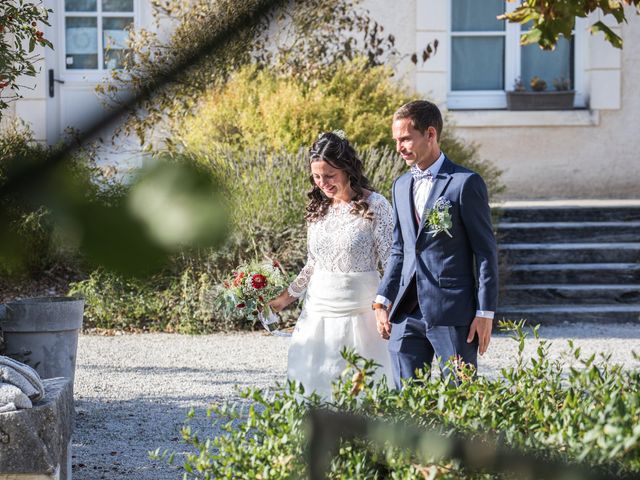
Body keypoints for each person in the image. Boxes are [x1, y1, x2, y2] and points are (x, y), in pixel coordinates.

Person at [373, 100, 498, 388]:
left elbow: (485, 252)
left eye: (405, 138)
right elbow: (399, 249)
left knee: (458, 396)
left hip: (452, 313)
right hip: (405, 313)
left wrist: (484, 312)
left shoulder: (465, 183)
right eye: (396, 140)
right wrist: (383, 298)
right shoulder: (400, 185)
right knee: (404, 401)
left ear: (430, 134)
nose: (399, 147)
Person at [269, 131, 393, 399]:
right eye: (316, 176)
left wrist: (384, 306)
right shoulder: (317, 208)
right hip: (317, 314)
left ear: (347, 169)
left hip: (361, 316)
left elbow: (393, 261)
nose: (322, 183)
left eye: (329, 175)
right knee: (314, 386)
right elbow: (313, 263)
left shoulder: (377, 206)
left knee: (360, 390)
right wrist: (286, 298)